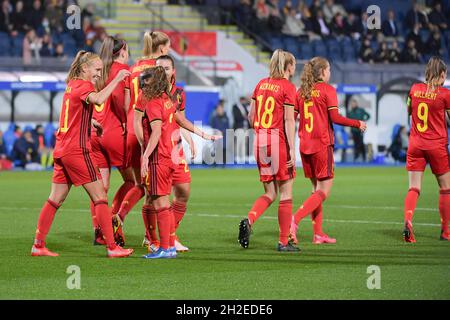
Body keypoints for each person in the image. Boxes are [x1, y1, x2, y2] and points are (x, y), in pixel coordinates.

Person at [30, 50, 133, 258]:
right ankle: (112, 247)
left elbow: (72, 115)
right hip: (77, 151)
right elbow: (99, 99)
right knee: (100, 197)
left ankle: (38, 245)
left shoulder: (71, 86)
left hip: (62, 149)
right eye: (96, 69)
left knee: (54, 199)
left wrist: (90, 122)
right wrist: (117, 80)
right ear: (85, 68)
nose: (99, 73)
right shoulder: (85, 86)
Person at [135, 66, 220, 259]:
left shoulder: (153, 103)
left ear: (152, 82)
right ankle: (168, 246)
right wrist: (203, 134)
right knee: (163, 202)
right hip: (171, 156)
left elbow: (156, 132)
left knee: (160, 203)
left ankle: (166, 247)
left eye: (144, 81)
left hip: (159, 158)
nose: (141, 85)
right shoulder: (167, 100)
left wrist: (145, 156)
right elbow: (180, 120)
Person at [290, 57, 367, 245]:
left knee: (316, 190)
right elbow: (336, 117)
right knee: (324, 191)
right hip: (322, 145)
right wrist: (357, 123)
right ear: (323, 71)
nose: (330, 72)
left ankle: (318, 234)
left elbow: (290, 119)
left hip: (305, 146)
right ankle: (294, 220)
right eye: (329, 69)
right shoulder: (328, 90)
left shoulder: (301, 92)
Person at [238, 49, 299, 252]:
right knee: (286, 192)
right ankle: (283, 241)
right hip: (278, 141)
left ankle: (250, 219)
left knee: (270, 192)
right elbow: (289, 120)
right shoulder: (288, 87)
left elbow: (251, 116)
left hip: (261, 141)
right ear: (289, 67)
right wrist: (291, 149)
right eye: (294, 65)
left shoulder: (261, 84)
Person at [115, 31, 171, 252]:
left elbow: (127, 102)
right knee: (151, 188)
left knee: (144, 184)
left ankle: (149, 235)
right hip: (146, 129)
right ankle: (151, 237)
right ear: (162, 49)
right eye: (168, 47)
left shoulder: (134, 67)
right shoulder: (159, 69)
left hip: (131, 124)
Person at [137, 54, 195, 253]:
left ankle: (169, 237)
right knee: (154, 197)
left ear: (173, 71)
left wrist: (189, 139)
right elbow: (137, 122)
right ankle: (154, 238)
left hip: (171, 152)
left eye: (166, 68)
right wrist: (144, 148)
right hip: (157, 151)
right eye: (158, 68)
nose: (162, 71)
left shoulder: (176, 94)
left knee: (181, 193)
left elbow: (179, 121)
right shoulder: (147, 95)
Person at [89, 36, 133, 247]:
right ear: (123, 50)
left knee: (101, 187)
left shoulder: (98, 69)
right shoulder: (121, 69)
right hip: (114, 132)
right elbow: (119, 100)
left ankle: (99, 230)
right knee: (133, 181)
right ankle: (114, 217)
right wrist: (126, 123)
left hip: (95, 132)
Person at [403, 56, 450, 243]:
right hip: (436, 145)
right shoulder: (445, 94)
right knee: (446, 188)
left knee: (414, 187)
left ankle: (408, 220)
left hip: (415, 144)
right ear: (441, 74)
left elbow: (409, 111)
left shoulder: (414, 89)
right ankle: (446, 232)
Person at [209, 100, 230, 165]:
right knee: (215, 149)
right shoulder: (214, 118)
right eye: (218, 109)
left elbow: (228, 127)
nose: (219, 110)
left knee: (224, 149)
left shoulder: (226, 118)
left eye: (220, 109)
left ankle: (224, 163)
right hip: (216, 136)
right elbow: (212, 127)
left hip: (224, 136)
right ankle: (214, 163)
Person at [232, 96, 250, 163]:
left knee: (244, 143)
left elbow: (249, 115)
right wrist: (244, 117)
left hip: (245, 128)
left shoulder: (246, 107)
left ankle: (243, 156)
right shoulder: (235, 107)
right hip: (239, 127)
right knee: (238, 142)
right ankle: (237, 156)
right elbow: (236, 117)